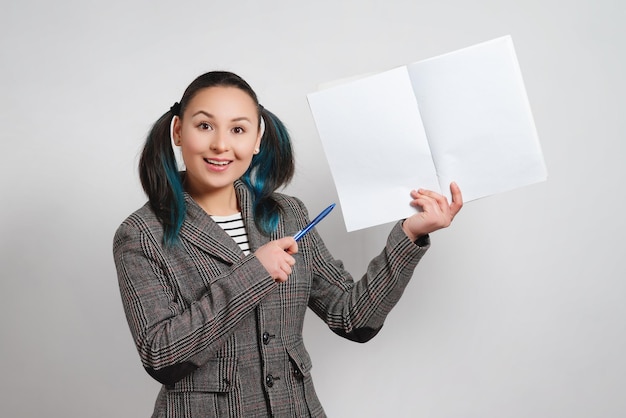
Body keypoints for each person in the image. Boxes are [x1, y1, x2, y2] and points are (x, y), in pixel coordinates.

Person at [113, 70, 463, 418]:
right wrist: (254, 272)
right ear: (178, 131)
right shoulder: (141, 234)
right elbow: (162, 356)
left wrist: (410, 234)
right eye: (204, 126)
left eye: (238, 129)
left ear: (257, 140)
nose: (221, 144)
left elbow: (353, 319)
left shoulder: (288, 214)